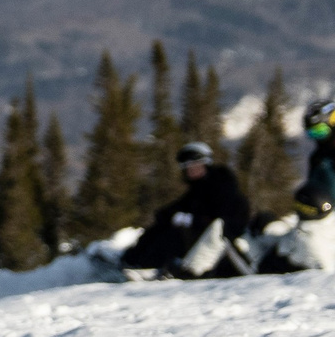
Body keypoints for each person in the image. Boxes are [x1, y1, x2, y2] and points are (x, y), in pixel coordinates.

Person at [118, 142, 253, 278]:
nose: (190, 169)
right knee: (159, 228)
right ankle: (131, 262)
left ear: (206, 164)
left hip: (219, 241)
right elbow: (175, 209)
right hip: (201, 235)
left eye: (195, 165)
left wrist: (191, 219)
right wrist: (167, 215)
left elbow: (223, 219)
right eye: (186, 166)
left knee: (174, 234)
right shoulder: (197, 189)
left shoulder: (221, 185)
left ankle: (153, 267)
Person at [255, 98, 335, 273]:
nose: (317, 138)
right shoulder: (318, 157)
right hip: (317, 215)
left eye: (320, 132)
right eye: (312, 134)